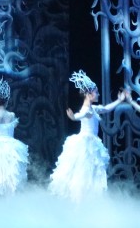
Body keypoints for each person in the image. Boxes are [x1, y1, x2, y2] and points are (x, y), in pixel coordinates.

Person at [48, 70, 125, 201]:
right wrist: (74, 117)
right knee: (83, 173)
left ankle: (89, 201)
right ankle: (80, 201)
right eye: (96, 92)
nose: (98, 94)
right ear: (89, 94)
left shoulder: (93, 109)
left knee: (91, 174)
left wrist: (119, 100)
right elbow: (81, 115)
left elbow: (106, 108)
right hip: (86, 144)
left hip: (92, 143)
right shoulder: (87, 110)